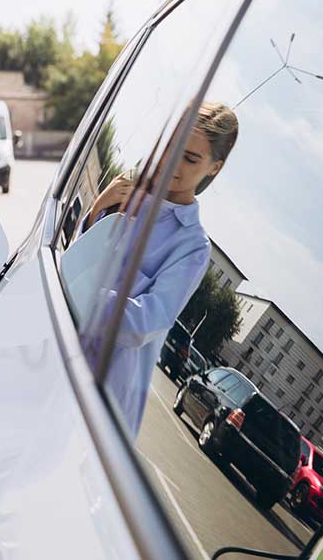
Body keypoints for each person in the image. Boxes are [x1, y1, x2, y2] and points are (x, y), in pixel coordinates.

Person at [85, 102, 239, 437]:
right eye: (171, 146)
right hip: (59, 358)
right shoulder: (125, 192)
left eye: (190, 158)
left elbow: (145, 321)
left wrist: (84, 297)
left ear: (215, 168)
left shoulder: (193, 246)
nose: (172, 163)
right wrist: (99, 207)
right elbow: (76, 258)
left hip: (103, 405)